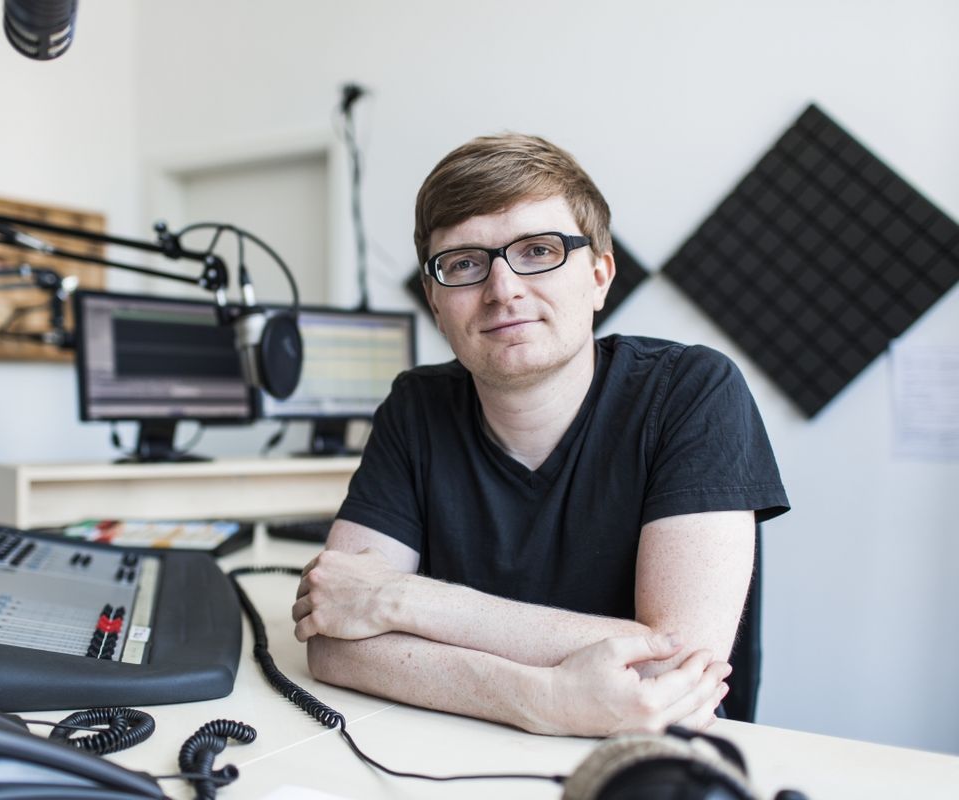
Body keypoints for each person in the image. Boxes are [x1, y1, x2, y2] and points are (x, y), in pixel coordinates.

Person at [292, 133, 789, 737]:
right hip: (460, 758)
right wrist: (540, 698)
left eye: (538, 251)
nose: (503, 290)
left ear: (600, 275)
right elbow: (332, 641)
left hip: (654, 763)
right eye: (465, 264)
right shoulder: (416, 407)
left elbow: (673, 663)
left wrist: (402, 600)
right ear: (434, 299)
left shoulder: (692, 391)